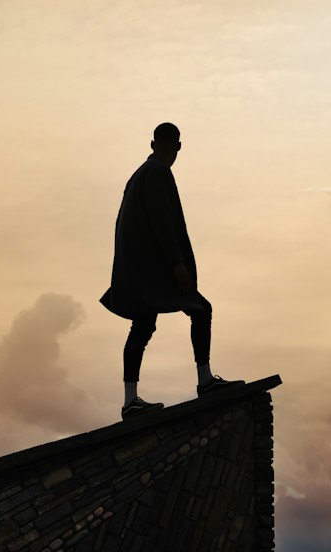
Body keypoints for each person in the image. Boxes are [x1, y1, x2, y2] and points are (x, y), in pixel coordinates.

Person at [99, 122, 244, 419]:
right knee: (201, 310)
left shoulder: (139, 175)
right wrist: (176, 263)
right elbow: (163, 222)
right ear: (178, 147)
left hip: (137, 268)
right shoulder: (157, 173)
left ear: (153, 144)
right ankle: (205, 381)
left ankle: (130, 401)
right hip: (153, 268)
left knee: (142, 326)